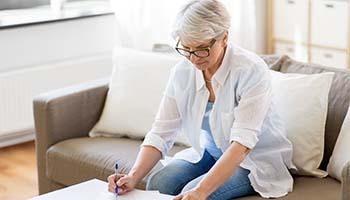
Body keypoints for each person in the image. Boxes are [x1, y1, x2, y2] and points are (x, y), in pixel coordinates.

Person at [107, 0, 295, 199]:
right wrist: (133, 176)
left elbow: (242, 144)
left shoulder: (250, 70)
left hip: (252, 161)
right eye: (187, 49)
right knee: (159, 183)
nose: (194, 58)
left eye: (202, 48)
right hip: (211, 154)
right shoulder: (182, 72)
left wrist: (201, 191)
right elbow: (161, 132)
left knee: (194, 194)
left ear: (224, 38)